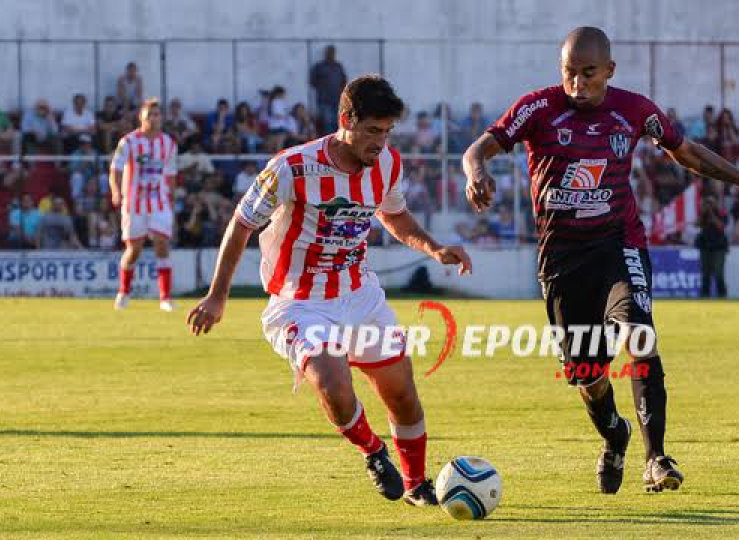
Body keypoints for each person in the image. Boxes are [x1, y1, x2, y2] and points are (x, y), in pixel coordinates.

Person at [462, 27, 739, 495]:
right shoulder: (538, 107)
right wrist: (476, 170)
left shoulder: (634, 111)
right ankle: (615, 434)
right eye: (569, 73)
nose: (577, 84)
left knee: (639, 334)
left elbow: (686, 152)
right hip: (563, 259)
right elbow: (481, 146)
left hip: (619, 245)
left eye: (588, 74)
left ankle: (657, 458)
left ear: (609, 70)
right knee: (588, 377)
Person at [186, 75, 471, 507]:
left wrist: (434, 248)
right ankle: (374, 452)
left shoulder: (388, 164)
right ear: (345, 121)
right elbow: (242, 223)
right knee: (332, 385)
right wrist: (217, 295)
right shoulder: (292, 167)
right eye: (372, 131)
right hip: (301, 302)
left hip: (361, 296)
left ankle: (415, 485)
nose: (381, 141)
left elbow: (395, 217)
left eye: (387, 131)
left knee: (402, 394)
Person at [109, 98, 178, 311]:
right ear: (142, 117)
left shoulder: (168, 143)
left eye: (157, 115)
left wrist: (171, 197)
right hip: (134, 202)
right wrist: (116, 191)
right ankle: (123, 292)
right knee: (135, 249)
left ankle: (165, 298)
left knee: (161, 243)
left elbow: (171, 173)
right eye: (150, 115)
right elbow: (116, 169)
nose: (154, 119)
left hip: (159, 202)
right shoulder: (128, 142)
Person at [695, 194, 728, 297]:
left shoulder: (721, 213)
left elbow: (721, 227)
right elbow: (697, 224)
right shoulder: (703, 215)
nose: (709, 205)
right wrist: (704, 212)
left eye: (711, 203)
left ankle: (722, 295)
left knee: (718, 273)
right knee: (705, 274)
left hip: (718, 247)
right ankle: (705, 295)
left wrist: (712, 214)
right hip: (705, 246)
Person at [310, 45, 347, 134]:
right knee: (327, 122)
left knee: (338, 122)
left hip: (337, 100)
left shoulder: (338, 66)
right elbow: (313, 82)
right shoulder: (319, 67)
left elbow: (344, 80)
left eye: (333, 52)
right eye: (329, 52)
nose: (331, 54)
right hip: (324, 100)